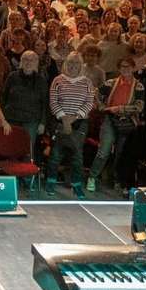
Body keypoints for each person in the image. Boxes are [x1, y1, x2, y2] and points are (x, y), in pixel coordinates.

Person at [87, 58, 145, 193]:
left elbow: (139, 106)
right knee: (104, 151)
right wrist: (103, 108)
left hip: (127, 122)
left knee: (121, 153)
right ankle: (92, 176)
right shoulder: (110, 82)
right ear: (119, 68)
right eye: (123, 66)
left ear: (133, 68)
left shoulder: (138, 86)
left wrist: (120, 109)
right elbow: (96, 94)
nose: (125, 69)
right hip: (110, 119)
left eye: (128, 66)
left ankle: (117, 179)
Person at [45, 52, 96, 197]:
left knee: (77, 156)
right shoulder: (57, 80)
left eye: (77, 63)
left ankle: (76, 185)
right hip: (60, 122)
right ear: (66, 64)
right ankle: (51, 181)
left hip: (79, 123)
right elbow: (53, 101)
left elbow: (89, 102)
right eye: (71, 62)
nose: (73, 65)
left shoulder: (87, 82)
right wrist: (64, 119)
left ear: (81, 65)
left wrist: (74, 117)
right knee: (55, 155)